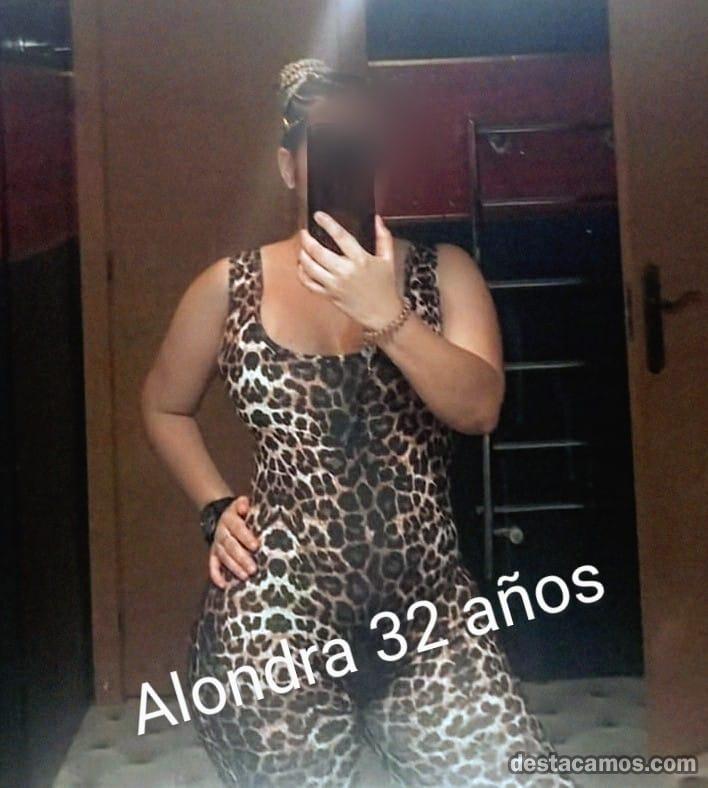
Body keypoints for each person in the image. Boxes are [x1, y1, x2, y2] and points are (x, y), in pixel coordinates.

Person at [141, 58, 571, 788]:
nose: (352, 162)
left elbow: (479, 409)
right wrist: (214, 507)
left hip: (429, 611)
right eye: (331, 146)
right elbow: (163, 404)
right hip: (276, 615)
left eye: (364, 146)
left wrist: (386, 315)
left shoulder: (445, 272)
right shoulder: (228, 287)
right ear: (289, 167)